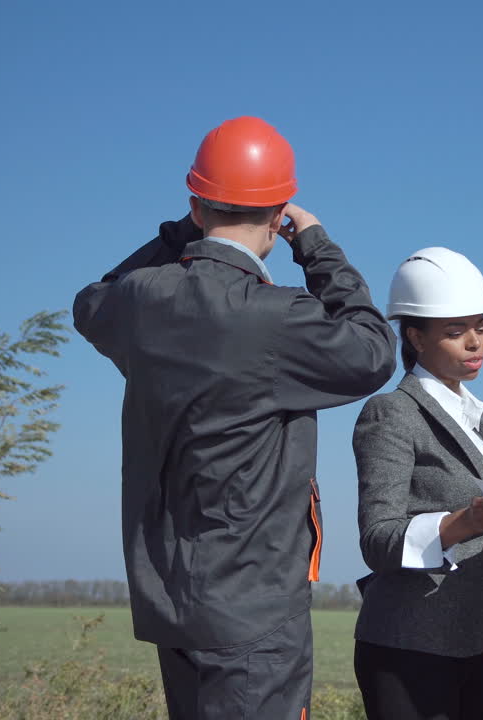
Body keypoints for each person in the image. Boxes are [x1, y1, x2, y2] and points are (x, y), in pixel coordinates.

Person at [72, 116, 397, 720]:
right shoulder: (277, 318)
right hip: (253, 608)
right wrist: (319, 247)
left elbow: (92, 300)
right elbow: (374, 350)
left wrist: (175, 237)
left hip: (170, 600)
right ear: (278, 218)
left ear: (197, 205)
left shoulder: (142, 302)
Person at [351, 247, 483, 720]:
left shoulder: (482, 418)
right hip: (407, 643)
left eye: (481, 327)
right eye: (456, 331)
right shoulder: (391, 412)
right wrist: (464, 522)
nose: (474, 342)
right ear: (415, 337)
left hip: (472, 639)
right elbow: (378, 540)